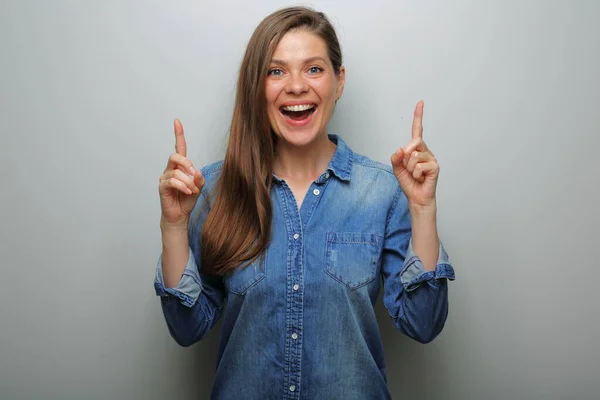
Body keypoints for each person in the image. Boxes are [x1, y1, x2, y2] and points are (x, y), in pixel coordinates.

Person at [154, 6, 455, 399]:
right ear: (256, 86)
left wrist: (423, 210)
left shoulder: (382, 191)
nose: (296, 86)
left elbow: (423, 323)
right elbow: (187, 327)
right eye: (276, 71)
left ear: (338, 80)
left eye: (313, 69)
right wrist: (174, 227)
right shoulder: (212, 189)